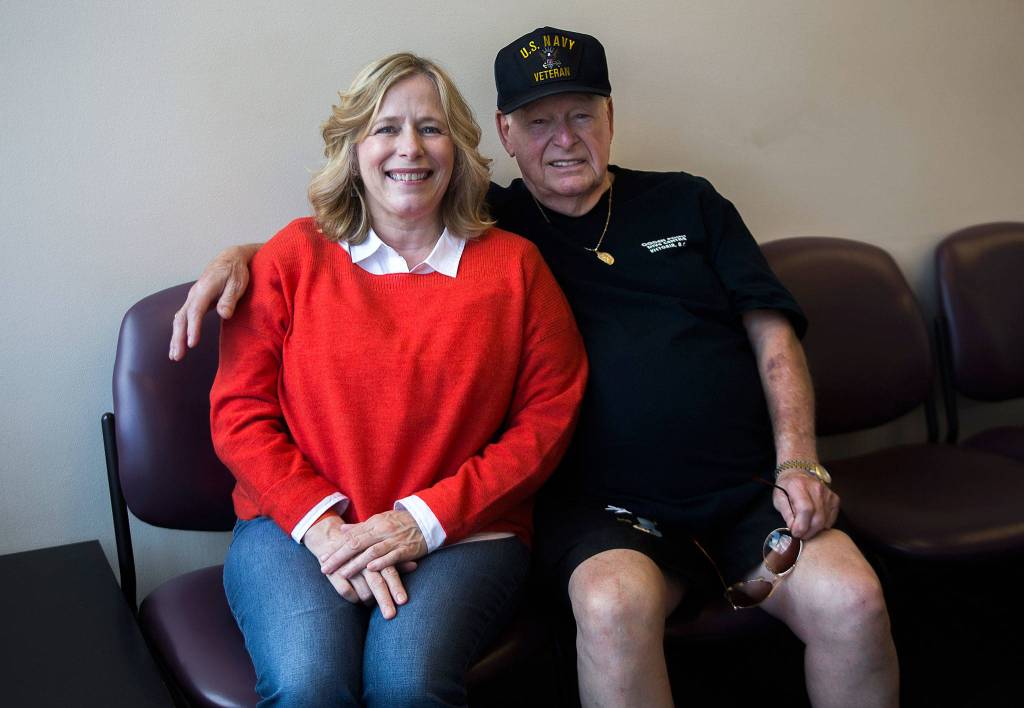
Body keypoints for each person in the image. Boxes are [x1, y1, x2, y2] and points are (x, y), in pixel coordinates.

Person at [179, 29, 899, 708]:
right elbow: (373, 230)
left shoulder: (662, 208)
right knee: (317, 680)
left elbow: (768, 336)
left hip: (734, 492)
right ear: (505, 134)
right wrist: (244, 260)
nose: (564, 139)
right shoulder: (458, 228)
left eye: (581, 115)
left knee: (855, 600)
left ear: (610, 118)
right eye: (539, 122)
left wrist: (798, 461)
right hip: (599, 513)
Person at [208, 51, 587, 708]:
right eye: (385, 128)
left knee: (406, 684)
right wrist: (325, 528)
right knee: (307, 682)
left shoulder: (515, 268)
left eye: (430, 128)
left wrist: (424, 520)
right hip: (294, 526)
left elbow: (549, 418)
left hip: (466, 531)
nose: (409, 148)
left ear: (457, 148)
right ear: (353, 148)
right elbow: (238, 414)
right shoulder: (293, 256)